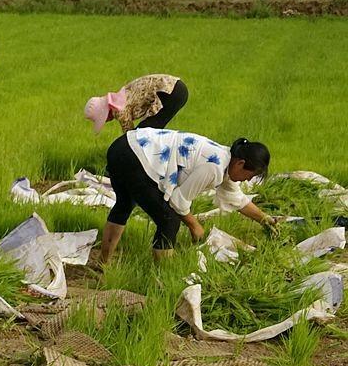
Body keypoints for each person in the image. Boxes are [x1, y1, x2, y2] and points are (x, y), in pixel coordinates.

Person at [96, 130, 276, 265]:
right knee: (169, 220)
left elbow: (238, 199)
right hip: (135, 155)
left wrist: (265, 219)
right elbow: (178, 201)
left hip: (123, 146)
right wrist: (194, 225)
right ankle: (164, 277)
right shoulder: (215, 168)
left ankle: (104, 265)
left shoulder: (224, 157)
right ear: (241, 163)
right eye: (250, 176)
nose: (247, 180)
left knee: (125, 203)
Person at [85, 75, 188, 134]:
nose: (106, 121)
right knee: (146, 131)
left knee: (144, 135)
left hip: (170, 92)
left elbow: (129, 135)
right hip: (176, 87)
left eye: (104, 119)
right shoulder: (120, 96)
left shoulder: (118, 109)